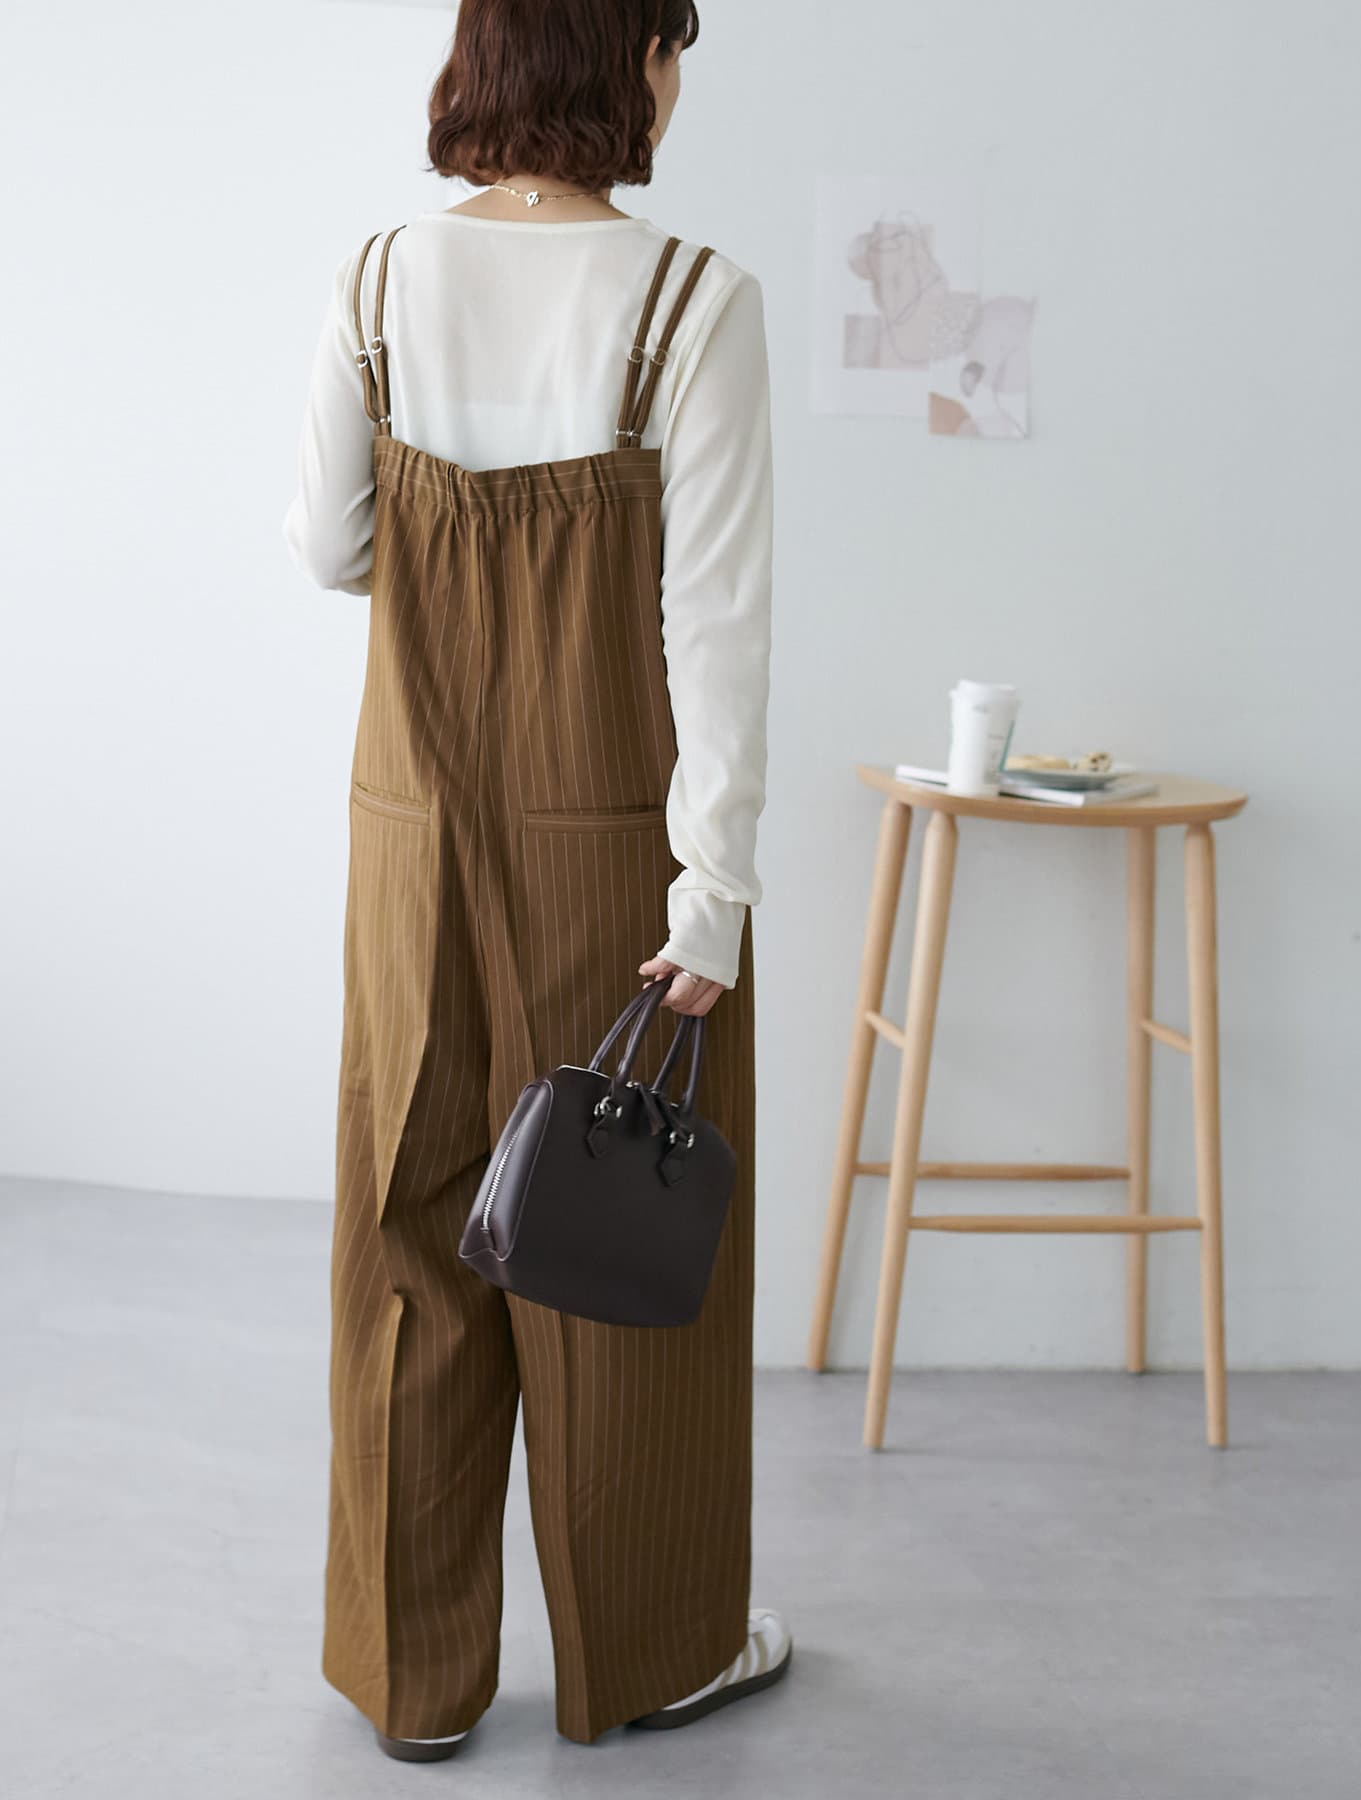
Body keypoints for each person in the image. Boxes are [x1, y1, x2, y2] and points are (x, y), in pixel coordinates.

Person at [281, 0, 784, 1762]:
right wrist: (712, 890)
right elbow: (717, 624)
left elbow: (328, 546)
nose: (675, 80)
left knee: (407, 1225)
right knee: (611, 1235)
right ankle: (648, 1654)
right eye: (670, 45)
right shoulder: (692, 301)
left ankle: (411, 1681)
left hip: (408, 828)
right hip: (609, 841)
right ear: (620, 61)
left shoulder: (377, 280)